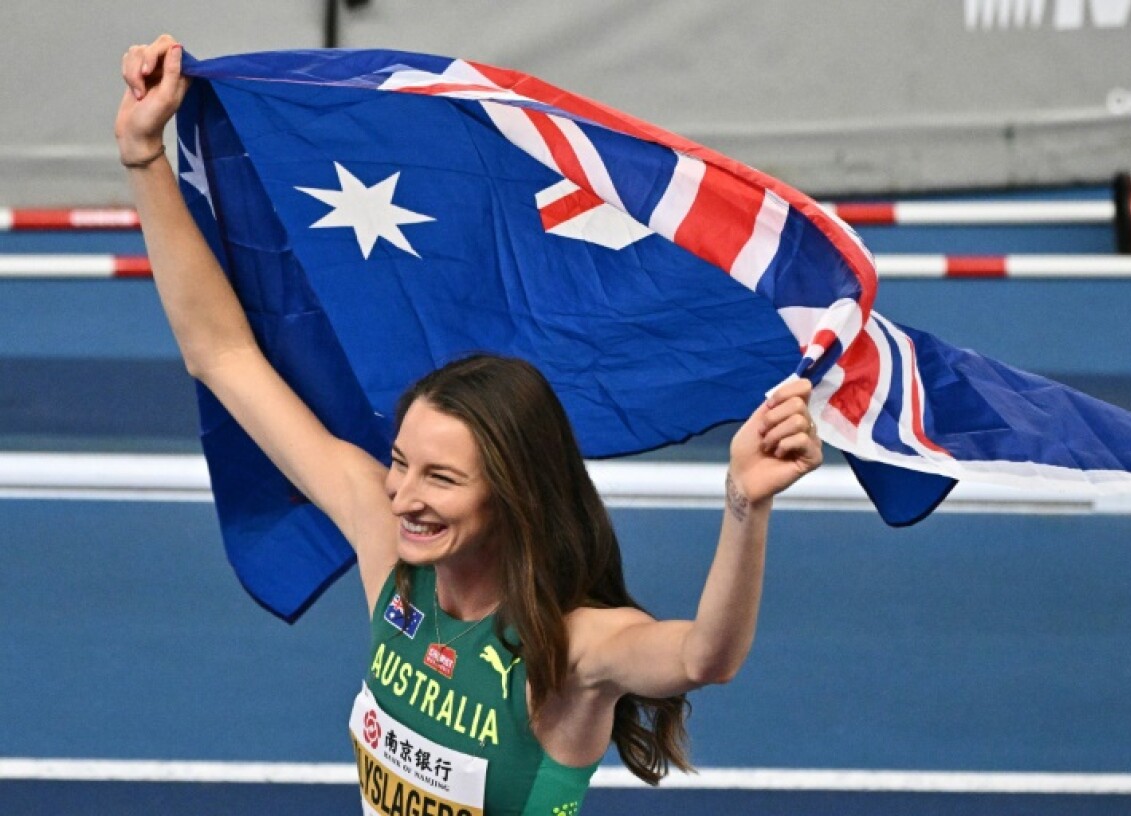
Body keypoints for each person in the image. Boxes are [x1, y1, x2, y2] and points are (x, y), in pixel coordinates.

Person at [117, 34, 823, 816]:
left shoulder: (573, 647)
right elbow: (222, 355)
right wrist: (145, 157)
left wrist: (745, 504)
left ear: (514, 495)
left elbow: (704, 657)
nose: (402, 495)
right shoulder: (390, 557)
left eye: (441, 477)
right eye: (402, 462)